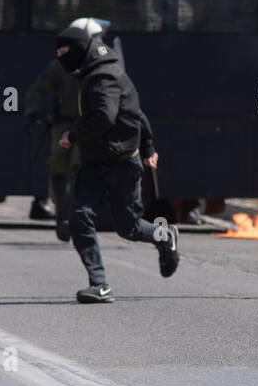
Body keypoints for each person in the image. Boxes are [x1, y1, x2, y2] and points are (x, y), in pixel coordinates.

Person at [54, 17, 179, 304]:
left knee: (129, 227)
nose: (61, 59)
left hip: (122, 163)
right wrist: (148, 146)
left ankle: (164, 235)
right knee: (79, 216)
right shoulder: (93, 72)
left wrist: (72, 136)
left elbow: (106, 117)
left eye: (64, 53)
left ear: (80, 49)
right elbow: (136, 111)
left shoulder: (103, 77)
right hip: (94, 163)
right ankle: (99, 284)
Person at [26, 25, 84, 240]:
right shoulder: (58, 67)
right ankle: (62, 216)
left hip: (86, 127)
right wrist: (32, 111)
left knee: (79, 171)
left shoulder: (92, 65)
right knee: (59, 173)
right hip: (63, 126)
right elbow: (38, 89)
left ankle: (76, 217)